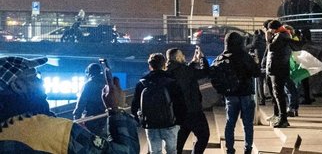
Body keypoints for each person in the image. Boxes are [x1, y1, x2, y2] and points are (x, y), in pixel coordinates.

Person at [0, 56, 140, 153]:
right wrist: (116, 109)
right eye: (34, 76)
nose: (40, 81)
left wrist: (77, 114)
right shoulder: (56, 131)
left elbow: (81, 103)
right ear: (18, 86)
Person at [131, 53, 186, 154]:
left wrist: (140, 120)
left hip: (151, 124)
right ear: (164, 65)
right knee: (172, 151)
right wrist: (179, 122)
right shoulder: (172, 82)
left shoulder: (142, 84)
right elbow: (180, 104)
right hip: (170, 123)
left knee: (154, 151)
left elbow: (134, 105)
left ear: (150, 66)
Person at [220, 31, 261, 154]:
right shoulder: (245, 56)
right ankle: (247, 148)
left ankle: (230, 149)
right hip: (245, 93)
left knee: (230, 123)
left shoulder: (223, 57)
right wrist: (256, 63)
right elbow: (256, 73)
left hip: (231, 94)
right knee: (247, 124)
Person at [165, 47, 210, 154]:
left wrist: (193, 63)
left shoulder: (167, 72)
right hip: (193, 111)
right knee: (203, 136)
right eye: (182, 55)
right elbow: (206, 72)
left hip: (177, 115)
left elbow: (183, 73)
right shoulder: (186, 71)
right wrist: (202, 58)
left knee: (178, 144)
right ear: (177, 57)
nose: (184, 56)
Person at [265, 20, 294, 128]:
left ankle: (283, 118)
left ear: (274, 28)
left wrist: (267, 38)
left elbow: (271, 48)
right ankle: (280, 116)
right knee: (277, 94)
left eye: (270, 29)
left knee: (279, 94)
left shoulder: (281, 36)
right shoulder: (283, 35)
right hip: (278, 68)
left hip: (278, 68)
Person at [73, 62, 108, 135]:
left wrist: (77, 116)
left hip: (91, 117)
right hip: (106, 116)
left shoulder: (88, 85)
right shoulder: (107, 83)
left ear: (89, 73)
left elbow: (81, 102)